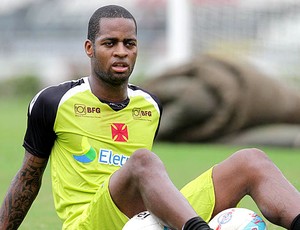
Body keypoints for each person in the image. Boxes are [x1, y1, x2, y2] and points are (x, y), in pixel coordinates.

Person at [0, 4, 300, 230]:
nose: (121, 52)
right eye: (110, 43)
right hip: (90, 222)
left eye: (129, 44)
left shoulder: (150, 106)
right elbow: (28, 178)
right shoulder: (54, 101)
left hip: (145, 219)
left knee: (251, 161)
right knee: (143, 161)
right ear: (89, 48)